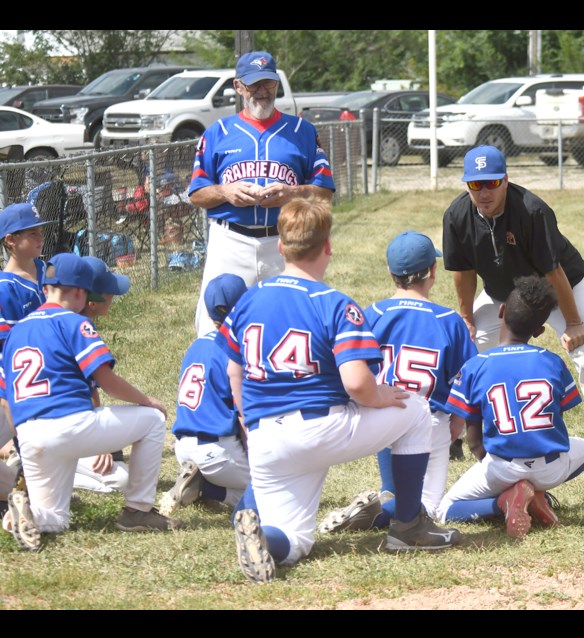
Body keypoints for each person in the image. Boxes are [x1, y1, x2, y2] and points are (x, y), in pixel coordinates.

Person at [218, 197, 461, 584]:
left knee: (295, 539)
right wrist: (383, 395)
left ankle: (265, 538)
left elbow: (233, 369)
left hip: (265, 439)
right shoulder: (333, 304)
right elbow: (357, 384)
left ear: (281, 247)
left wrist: (246, 416)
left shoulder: (250, 299)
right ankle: (409, 526)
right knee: (415, 408)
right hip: (320, 428)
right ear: (328, 247)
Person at [442, 145, 584, 473]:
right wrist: (467, 319)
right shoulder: (457, 216)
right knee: (465, 349)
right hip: (501, 292)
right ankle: (452, 436)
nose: (484, 192)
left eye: (492, 183)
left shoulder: (531, 211)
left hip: (553, 288)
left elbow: (555, 273)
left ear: (506, 181)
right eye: (475, 184)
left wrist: (573, 323)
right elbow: (463, 273)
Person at [1, 253, 180, 552]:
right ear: (82, 292)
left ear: (45, 289)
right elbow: (107, 382)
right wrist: (147, 400)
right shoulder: (74, 323)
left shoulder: (18, 332)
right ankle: (137, 511)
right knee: (152, 420)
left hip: (30, 436)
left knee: (56, 519)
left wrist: (22, 442)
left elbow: (7, 402)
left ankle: (20, 516)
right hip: (71, 426)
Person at [318, 230, 478, 534]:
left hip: (381, 417)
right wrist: (456, 423)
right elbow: (466, 382)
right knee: (426, 508)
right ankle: (376, 511)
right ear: (432, 272)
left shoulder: (371, 314)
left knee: (396, 491)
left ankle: (381, 503)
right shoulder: (449, 321)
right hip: (429, 421)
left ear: (391, 273)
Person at [188, 50, 336, 337]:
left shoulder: (301, 131)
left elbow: (324, 194)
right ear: (239, 86)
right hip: (229, 240)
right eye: (254, 84)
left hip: (284, 242)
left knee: (292, 324)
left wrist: (292, 193)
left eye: (268, 83)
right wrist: (225, 190)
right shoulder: (216, 133)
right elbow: (197, 194)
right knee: (212, 326)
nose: (262, 91)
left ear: (277, 84)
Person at [437, 275, 584, 539]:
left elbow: (474, 440)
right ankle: (536, 494)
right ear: (539, 330)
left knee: (444, 509)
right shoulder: (552, 361)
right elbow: (558, 416)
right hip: (550, 467)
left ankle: (503, 502)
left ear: (501, 311)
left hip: (504, 466)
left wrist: (497, 479)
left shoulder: (476, 365)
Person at [161, 273, 250, 516]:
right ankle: (205, 489)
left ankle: (199, 483)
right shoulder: (236, 351)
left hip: (182, 448)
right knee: (270, 488)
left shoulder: (195, 345)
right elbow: (243, 415)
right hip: (217, 452)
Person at [71, 256, 133, 495]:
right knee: (121, 480)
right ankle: (59, 472)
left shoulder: (74, 323)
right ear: (92, 302)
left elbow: (91, 390)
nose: (113, 296)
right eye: (109, 291)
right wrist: (98, 441)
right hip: (60, 428)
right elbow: (100, 387)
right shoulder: (79, 330)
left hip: (67, 424)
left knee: (118, 455)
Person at [0, 202, 50, 459]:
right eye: (32, 233)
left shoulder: (48, 270)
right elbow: (7, 346)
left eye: (40, 232)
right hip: (24, 376)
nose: (41, 238)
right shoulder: (5, 287)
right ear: (10, 240)